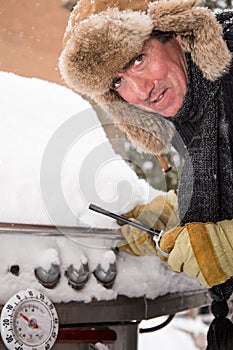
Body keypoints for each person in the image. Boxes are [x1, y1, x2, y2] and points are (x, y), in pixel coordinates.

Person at [59, 1, 233, 347]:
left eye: (138, 58)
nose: (141, 92)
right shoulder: (197, 103)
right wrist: (178, 212)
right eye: (118, 80)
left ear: (177, 31)